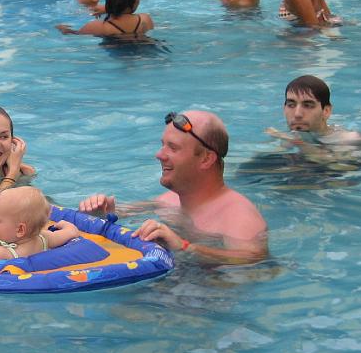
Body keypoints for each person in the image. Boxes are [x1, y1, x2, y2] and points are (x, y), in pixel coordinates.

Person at [79, 110, 268, 264]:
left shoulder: (238, 214)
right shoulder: (167, 200)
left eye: (173, 148)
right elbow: (119, 213)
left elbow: (253, 258)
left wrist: (184, 247)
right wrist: (100, 214)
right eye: (163, 145)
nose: (159, 155)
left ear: (206, 159)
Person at [265, 75, 361, 163]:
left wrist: (297, 142)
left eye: (308, 105)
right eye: (291, 105)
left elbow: (335, 165)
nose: (297, 114)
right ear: (284, 108)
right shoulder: (289, 137)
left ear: (326, 111)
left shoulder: (352, 139)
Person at [56, 0, 154, 37]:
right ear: (134, 0)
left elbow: (75, 35)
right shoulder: (145, 20)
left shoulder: (97, 27)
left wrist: (64, 29)